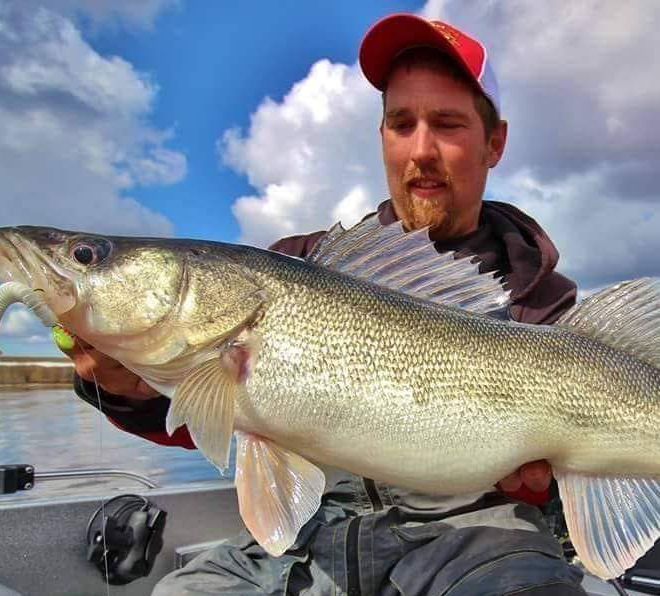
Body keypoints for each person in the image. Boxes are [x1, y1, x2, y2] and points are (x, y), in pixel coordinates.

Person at [62, 13, 586, 596]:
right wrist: (126, 388)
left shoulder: (544, 305)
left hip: (475, 545)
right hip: (315, 540)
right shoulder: (299, 266)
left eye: (448, 124)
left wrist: (544, 481)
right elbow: (217, 419)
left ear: (494, 142)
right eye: (400, 122)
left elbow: (572, 474)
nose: (421, 150)